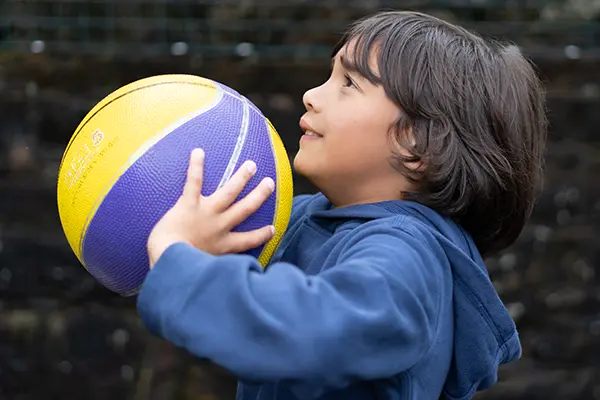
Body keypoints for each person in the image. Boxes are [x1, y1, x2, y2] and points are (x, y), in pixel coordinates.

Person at [137, 10, 547, 400]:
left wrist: (180, 262)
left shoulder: (408, 255)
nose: (311, 95)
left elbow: (310, 333)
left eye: (349, 82)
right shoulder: (312, 218)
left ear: (418, 143)